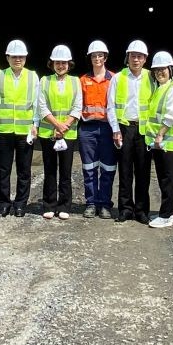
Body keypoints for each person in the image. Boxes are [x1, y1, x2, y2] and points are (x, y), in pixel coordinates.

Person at [0, 39, 39, 218]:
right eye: (14, 56)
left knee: (24, 170)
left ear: (25, 58)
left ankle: (20, 204)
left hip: (25, 131)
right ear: (8, 58)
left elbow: (37, 104)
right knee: (4, 169)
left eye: (21, 57)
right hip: (4, 130)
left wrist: (35, 124)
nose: (18, 59)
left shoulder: (32, 76)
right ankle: (3, 204)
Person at [109, 40, 154, 224]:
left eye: (140, 56)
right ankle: (125, 209)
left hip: (144, 129)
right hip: (125, 128)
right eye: (133, 56)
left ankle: (141, 210)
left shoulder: (152, 77)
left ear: (145, 59)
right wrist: (115, 129)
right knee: (125, 170)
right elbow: (110, 106)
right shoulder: (118, 78)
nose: (136, 59)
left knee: (143, 171)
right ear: (127, 57)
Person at [37, 45, 82, 220]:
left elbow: (78, 106)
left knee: (65, 170)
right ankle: (49, 204)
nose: (61, 65)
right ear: (52, 63)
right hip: (49, 132)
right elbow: (42, 106)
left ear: (69, 64)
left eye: (64, 62)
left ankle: (64, 205)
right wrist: (57, 125)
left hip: (67, 134)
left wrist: (65, 126)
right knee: (49, 170)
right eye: (57, 62)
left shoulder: (75, 81)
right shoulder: (44, 81)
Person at [144, 52, 173, 229]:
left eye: (163, 69)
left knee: (168, 180)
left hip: (168, 143)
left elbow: (170, 116)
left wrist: (160, 135)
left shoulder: (172, 90)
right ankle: (167, 213)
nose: (160, 72)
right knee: (162, 179)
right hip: (159, 144)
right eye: (157, 70)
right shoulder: (159, 89)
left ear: (170, 70)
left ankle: (166, 215)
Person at [78, 40, 116, 219]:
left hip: (108, 128)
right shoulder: (83, 80)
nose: (97, 58)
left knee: (108, 168)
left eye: (100, 55)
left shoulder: (114, 79)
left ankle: (105, 204)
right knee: (89, 167)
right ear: (90, 58)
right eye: (94, 56)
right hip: (88, 128)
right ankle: (91, 203)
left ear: (105, 57)